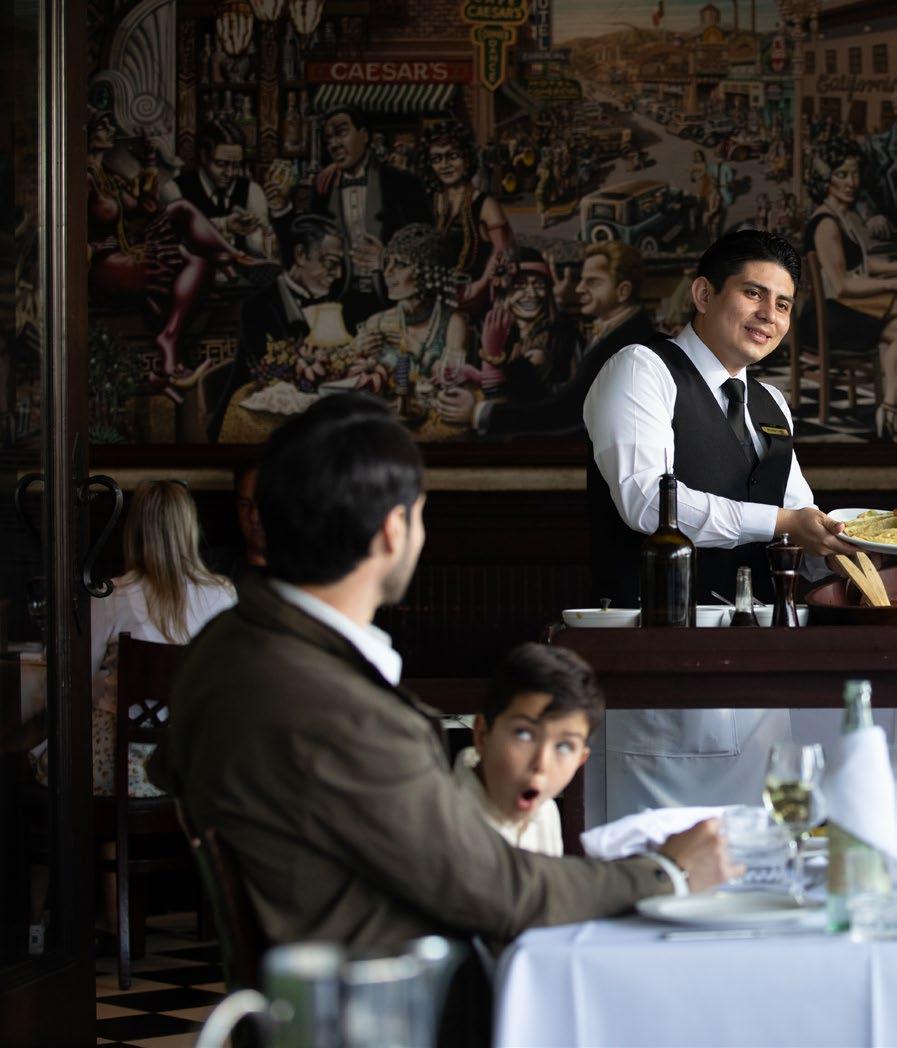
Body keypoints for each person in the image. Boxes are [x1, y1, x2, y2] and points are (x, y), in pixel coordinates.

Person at [148, 394, 733, 964]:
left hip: (304, 976)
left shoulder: (221, 645)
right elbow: (499, 892)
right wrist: (666, 872)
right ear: (394, 529)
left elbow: (168, 769)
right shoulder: (349, 714)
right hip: (393, 990)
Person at [583, 229, 856, 818]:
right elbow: (647, 503)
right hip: (662, 668)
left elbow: (802, 522)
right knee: (657, 860)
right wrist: (783, 521)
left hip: (758, 673)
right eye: (753, 293)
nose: (769, 315)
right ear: (704, 294)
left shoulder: (771, 405)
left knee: (759, 852)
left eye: (783, 303)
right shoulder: (642, 369)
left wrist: (852, 559)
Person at [37, 480, 235, 798]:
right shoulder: (223, 595)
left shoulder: (110, 595)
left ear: (134, 532)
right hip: (197, 761)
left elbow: (75, 680)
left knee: (47, 762)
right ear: (190, 529)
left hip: (121, 764)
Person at [437, 242, 654, 437]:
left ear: (623, 291)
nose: (579, 289)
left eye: (593, 282)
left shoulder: (626, 345)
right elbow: (555, 397)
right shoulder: (616, 331)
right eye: (520, 286)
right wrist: (505, 364)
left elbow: (565, 412)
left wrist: (479, 413)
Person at [209, 214, 346, 440]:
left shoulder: (330, 301)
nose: (338, 274)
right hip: (257, 425)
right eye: (330, 263)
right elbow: (276, 377)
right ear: (300, 255)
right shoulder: (257, 307)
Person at [453, 643, 599, 856]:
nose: (541, 763)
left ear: (580, 761)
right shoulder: (439, 821)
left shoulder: (545, 812)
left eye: (564, 746)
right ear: (482, 735)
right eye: (524, 734)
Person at [803, 138, 897, 439]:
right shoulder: (827, 224)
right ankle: (891, 409)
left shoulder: (846, 215)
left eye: (855, 173)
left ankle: (889, 409)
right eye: (841, 174)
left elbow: (865, 265)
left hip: (843, 310)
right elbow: (842, 286)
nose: (851, 182)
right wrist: (891, 283)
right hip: (829, 318)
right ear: (825, 179)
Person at [309, 106, 432, 330]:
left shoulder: (403, 184)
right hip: (339, 303)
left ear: (364, 136)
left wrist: (386, 258)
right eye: (329, 138)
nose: (334, 144)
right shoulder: (323, 190)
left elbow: (429, 247)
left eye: (342, 133)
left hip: (392, 301)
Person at [348, 223, 467, 396]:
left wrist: (418, 350)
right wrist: (356, 351)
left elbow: (455, 379)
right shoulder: (376, 322)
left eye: (400, 264)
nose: (387, 272)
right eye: (387, 263)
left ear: (429, 272)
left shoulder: (452, 323)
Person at [420, 120, 512, 312]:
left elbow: (502, 251)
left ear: (467, 158)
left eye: (452, 156)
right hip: (434, 296)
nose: (444, 165)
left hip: (474, 295)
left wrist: (481, 285)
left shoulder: (486, 204)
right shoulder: (428, 200)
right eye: (436, 159)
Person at [165, 118, 272, 258]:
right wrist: (225, 224)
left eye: (236, 165)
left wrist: (261, 234)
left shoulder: (252, 191)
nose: (230, 173)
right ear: (204, 156)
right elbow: (178, 240)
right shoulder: (175, 190)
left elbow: (263, 250)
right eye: (222, 164)